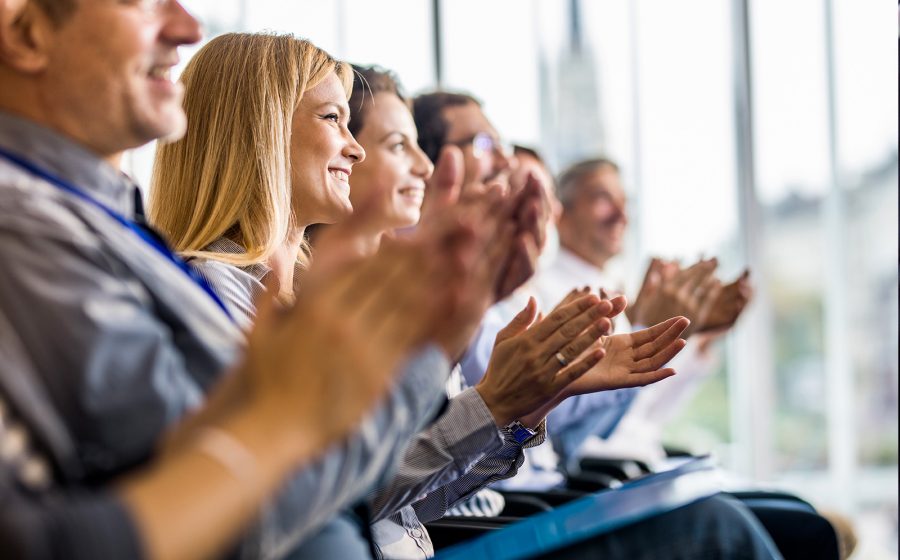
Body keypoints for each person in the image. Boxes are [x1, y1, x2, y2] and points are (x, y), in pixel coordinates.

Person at [0, 3, 487, 558]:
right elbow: (247, 501)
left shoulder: (115, 222)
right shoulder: (34, 227)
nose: (187, 26)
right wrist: (440, 361)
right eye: (142, 2)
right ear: (26, 31)